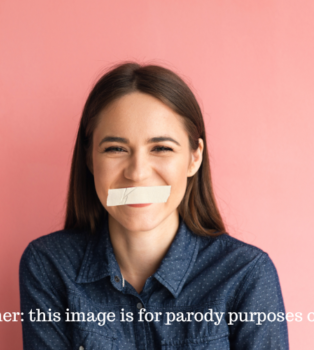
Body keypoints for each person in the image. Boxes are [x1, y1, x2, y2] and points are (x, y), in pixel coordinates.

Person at [19, 62, 289, 349]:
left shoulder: (246, 274)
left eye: (161, 148)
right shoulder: (48, 265)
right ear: (89, 159)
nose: (137, 173)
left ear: (194, 158)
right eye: (115, 149)